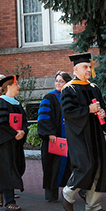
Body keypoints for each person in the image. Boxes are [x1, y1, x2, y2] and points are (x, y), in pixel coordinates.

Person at [60, 53, 106, 211]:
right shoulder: (69, 89)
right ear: (75, 69)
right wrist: (88, 110)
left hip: (95, 133)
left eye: (90, 67)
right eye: (85, 67)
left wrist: (103, 113)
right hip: (79, 134)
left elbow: (104, 106)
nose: (89, 69)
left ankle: (93, 206)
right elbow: (68, 112)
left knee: (98, 165)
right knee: (85, 165)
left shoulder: (94, 88)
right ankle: (68, 193)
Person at [0, 75, 27, 211]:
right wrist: (14, 134)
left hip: (15, 143)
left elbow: (24, 121)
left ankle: (0, 188)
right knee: (8, 171)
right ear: (9, 86)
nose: (19, 87)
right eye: (17, 85)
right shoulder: (0, 102)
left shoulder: (16, 103)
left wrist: (22, 131)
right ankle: (9, 201)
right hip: (4, 144)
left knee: (17, 168)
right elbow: (0, 123)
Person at [37, 71, 72, 202]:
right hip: (54, 139)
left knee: (70, 166)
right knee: (52, 165)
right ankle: (51, 195)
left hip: (69, 139)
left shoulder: (71, 97)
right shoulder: (49, 98)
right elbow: (43, 117)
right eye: (57, 81)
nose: (58, 83)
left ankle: (70, 192)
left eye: (61, 81)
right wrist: (49, 132)